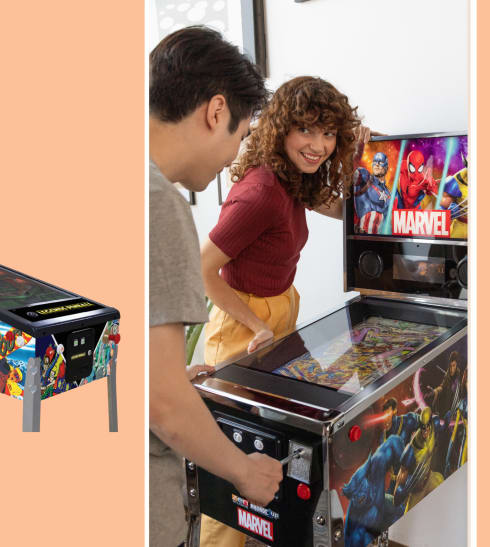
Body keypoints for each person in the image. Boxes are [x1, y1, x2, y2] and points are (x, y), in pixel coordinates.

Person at [198, 76, 366, 546]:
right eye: (308, 131)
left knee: (267, 452)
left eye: (330, 134)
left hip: (275, 316)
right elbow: (203, 269)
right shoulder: (260, 192)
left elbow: (340, 209)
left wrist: (360, 160)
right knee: (227, 466)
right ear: (282, 130)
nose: (318, 146)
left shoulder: (293, 179)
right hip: (240, 326)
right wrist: (255, 324)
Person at [148, 26, 283, 547]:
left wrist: (172, 370)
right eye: (242, 134)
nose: (235, 156)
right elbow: (163, 403)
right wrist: (244, 471)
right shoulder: (160, 204)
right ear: (215, 111)